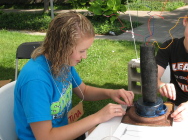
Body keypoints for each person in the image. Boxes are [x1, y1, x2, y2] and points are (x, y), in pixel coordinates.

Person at [14, 11, 134, 140]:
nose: (85, 56)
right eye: (82, 51)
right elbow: (45, 137)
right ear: (61, 47)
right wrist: (97, 117)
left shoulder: (62, 62)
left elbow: (84, 91)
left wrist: (110, 93)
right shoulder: (36, 80)